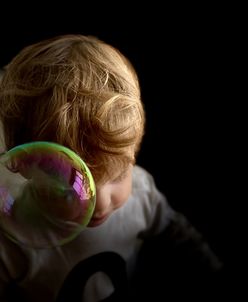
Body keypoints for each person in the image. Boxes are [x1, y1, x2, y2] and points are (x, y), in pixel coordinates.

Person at [0, 34, 223, 302]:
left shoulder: (141, 191)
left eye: (118, 175)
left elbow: (177, 235)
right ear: (24, 163)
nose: (102, 204)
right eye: (74, 187)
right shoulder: (15, 241)